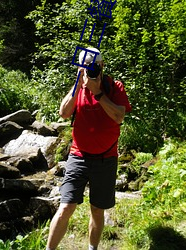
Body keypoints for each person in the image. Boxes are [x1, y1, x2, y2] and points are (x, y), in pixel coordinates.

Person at [46, 47, 132, 250]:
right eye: (85, 66)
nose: (90, 69)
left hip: (106, 157)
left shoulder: (114, 86)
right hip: (79, 156)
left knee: (97, 209)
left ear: (102, 65)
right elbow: (64, 113)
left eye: (94, 66)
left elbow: (119, 116)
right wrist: (78, 85)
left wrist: (98, 93)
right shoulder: (78, 88)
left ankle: (92, 248)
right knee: (66, 205)